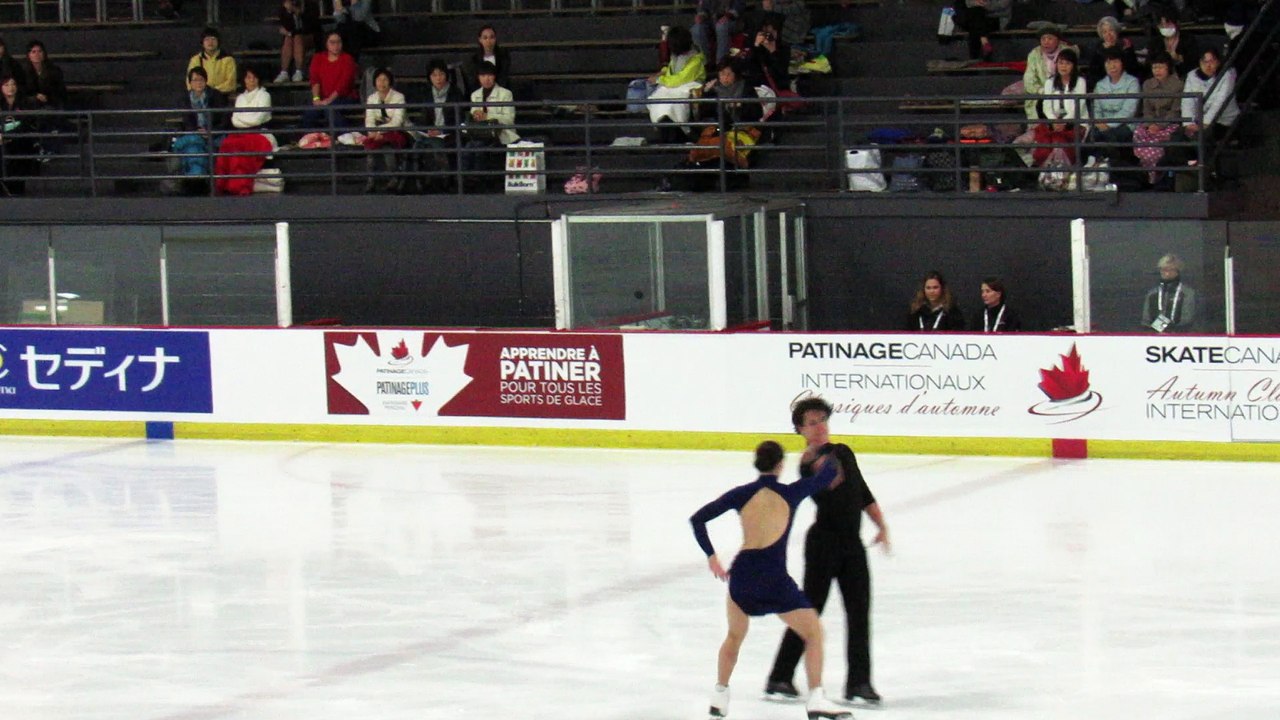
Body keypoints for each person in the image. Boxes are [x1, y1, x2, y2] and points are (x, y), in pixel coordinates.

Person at [690, 438, 853, 720]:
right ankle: (816, 698)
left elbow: (698, 519)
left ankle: (720, 695)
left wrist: (712, 556)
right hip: (774, 579)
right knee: (813, 632)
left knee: (734, 637)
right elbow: (828, 475)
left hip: (742, 577)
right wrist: (823, 450)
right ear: (780, 465)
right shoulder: (791, 493)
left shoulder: (742, 494)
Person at [764, 397, 889, 708]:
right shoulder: (808, 463)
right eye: (812, 423)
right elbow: (827, 479)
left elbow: (861, 492)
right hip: (823, 546)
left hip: (852, 545)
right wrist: (820, 464)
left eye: (822, 420)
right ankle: (779, 676)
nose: (819, 427)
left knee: (859, 613)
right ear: (800, 430)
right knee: (810, 613)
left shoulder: (843, 451)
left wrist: (881, 525)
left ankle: (859, 684)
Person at [216, 65, 275, 196]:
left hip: (259, 134)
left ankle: (240, 186)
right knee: (226, 144)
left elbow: (258, 119)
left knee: (241, 148)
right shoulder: (240, 98)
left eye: (254, 78)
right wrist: (246, 119)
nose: (251, 80)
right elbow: (235, 120)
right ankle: (223, 184)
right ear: (244, 80)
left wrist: (244, 119)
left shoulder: (264, 96)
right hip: (241, 133)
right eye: (248, 77)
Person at [413, 58, 466, 193]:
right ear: (429, 77)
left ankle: (445, 181)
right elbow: (422, 118)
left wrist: (441, 130)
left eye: (441, 74)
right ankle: (419, 182)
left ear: (446, 75)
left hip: (450, 133)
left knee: (438, 145)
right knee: (416, 146)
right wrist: (427, 129)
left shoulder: (455, 93)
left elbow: (459, 118)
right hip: (430, 133)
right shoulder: (426, 93)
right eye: (434, 75)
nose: (438, 78)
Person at [462, 61, 517, 192]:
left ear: (494, 76)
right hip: (480, 134)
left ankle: (478, 184)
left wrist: (487, 116)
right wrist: (475, 117)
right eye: (483, 76)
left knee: (479, 147)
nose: (486, 79)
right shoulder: (475, 95)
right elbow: (473, 116)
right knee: (467, 148)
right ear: (478, 77)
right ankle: (465, 183)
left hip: (500, 134)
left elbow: (509, 119)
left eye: (489, 75)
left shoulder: (505, 94)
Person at [646, 26, 706, 140]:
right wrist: (662, 73)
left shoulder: (696, 59)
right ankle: (663, 125)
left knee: (674, 104)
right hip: (673, 85)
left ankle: (683, 130)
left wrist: (660, 80)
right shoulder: (675, 56)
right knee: (658, 101)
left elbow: (681, 78)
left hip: (689, 85)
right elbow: (672, 70)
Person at [1132, 52, 1184, 185]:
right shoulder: (1147, 84)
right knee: (1138, 132)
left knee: (1164, 142)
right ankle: (1145, 176)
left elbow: (1175, 111)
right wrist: (1150, 124)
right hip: (1151, 124)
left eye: (1161, 67)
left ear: (1168, 68)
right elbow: (1146, 109)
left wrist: (1160, 125)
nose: (1157, 71)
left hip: (1169, 123)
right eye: (1155, 67)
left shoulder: (1178, 85)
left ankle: (1158, 177)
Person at [362, 67, 409, 193]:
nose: (381, 83)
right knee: (370, 149)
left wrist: (379, 132)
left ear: (390, 82)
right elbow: (369, 119)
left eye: (385, 80)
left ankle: (394, 179)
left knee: (388, 149)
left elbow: (397, 121)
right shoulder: (372, 98)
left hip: (396, 132)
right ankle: (371, 181)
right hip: (377, 132)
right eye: (379, 80)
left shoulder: (399, 97)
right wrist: (372, 132)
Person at [1090, 48, 1140, 162]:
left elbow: (1128, 111)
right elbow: (1096, 109)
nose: (1112, 66)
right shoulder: (1100, 84)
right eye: (1108, 62)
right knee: (1092, 135)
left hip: (1125, 124)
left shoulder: (1132, 82)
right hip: (1102, 125)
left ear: (1122, 63)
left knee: (1111, 137)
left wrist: (1108, 124)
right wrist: (1099, 123)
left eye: (1115, 62)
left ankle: (1109, 166)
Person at [302, 31, 360, 129]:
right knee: (310, 111)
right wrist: (316, 99)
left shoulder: (347, 59)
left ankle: (346, 134)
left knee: (330, 109)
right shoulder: (318, 58)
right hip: (323, 98)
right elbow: (315, 80)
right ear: (326, 44)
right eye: (332, 42)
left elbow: (343, 85)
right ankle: (305, 138)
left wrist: (329, 100)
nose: (336, 46)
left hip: (345, 98)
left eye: (338, 42)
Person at [1023, 27, 1078, 120]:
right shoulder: (1034, 54)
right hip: (1041, 94)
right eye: (1043, 39)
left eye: (1050, 38)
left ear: (1058, 40)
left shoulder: (1067, 51)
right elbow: (1028, 80)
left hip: (1064, 92)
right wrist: (1043, 91)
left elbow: (1073, 75)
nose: (1046, 42)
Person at [1, 73, 40, 195]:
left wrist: (8, 136)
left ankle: (17, 191)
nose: (10, 87)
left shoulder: (25, 103)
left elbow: (26, 124)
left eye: (13, 84)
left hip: (20, 142)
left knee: (16, 155)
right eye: (6, 85)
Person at [1141, 253, 1197, 332]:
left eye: (1171, 269)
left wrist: (1167, 330)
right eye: (1163, 269)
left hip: (1181, 338)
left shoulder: (1187, 293)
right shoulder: (1152, 294)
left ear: (1178, 271)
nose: (1166, 273)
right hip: (1155, 338)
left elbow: (1187, 319)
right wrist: (1158, 330)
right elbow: (1146, 321)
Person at [1085, 16, 1142, 88]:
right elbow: (1093, 73)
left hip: (1126, 83)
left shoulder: (1126, 45)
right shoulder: (1099, 48)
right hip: (1103, 84)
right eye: (1104, 32)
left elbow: (1133, 69)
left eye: (1111, 30)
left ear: (1116, 31)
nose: (1108, 34)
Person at [275, 0, 320, 83]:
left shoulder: (311, 5)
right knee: (289, 39)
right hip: (292, 37)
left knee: (297, 37)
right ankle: (284, 72)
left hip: (311, 36)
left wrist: (297, 12)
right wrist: (289, 12)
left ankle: (299, 71)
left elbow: (310, 27)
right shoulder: (284, 8)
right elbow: (286, 27)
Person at [462, 25, 512, 95]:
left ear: (495, 39)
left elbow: (503, 78)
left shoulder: (504, 57)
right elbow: (473, 81)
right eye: (485, 38)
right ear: (480, 40)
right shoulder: (473, 60)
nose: (488, 41)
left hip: (500, 93)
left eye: (492, 37)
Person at [186, 27, 237, 95]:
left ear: (218, 41)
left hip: (221, 95)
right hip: (200, 95)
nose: (210, 42)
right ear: (202, 42)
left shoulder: (228, 60)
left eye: (213, 39)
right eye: (207, 39)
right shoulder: (196, 60)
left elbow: (231, 83)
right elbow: (189, 81)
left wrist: (212, 92)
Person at [692, 0, 745, 64]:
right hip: (711, 21)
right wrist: (701, 16)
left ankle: (721, 63)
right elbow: (704, 9)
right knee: (697, 29)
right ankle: (705, 62)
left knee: (721, 27)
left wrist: (728, 15)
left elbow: (739, 6)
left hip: (732, 20)